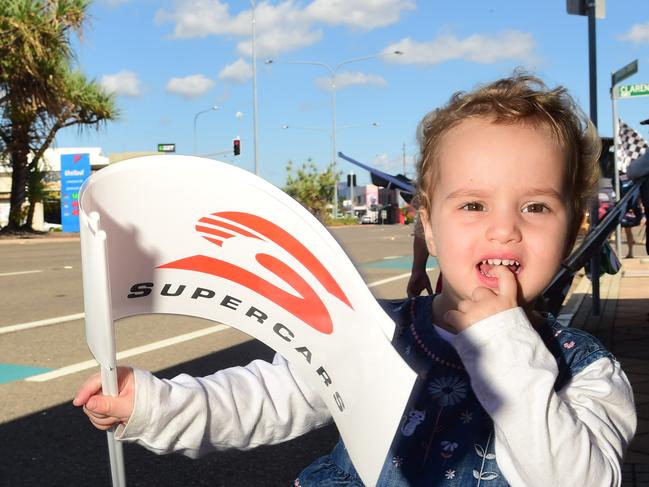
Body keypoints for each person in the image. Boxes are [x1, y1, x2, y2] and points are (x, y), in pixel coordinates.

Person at [74, 73, 637, 486]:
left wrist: (507, 343)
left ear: (571, 232)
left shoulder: (585, 373)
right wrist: (154, 405)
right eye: (472, 205)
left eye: (536, 208)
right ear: (431, 230)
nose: (504, 229)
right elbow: (265, 398)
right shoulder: (373, 331)